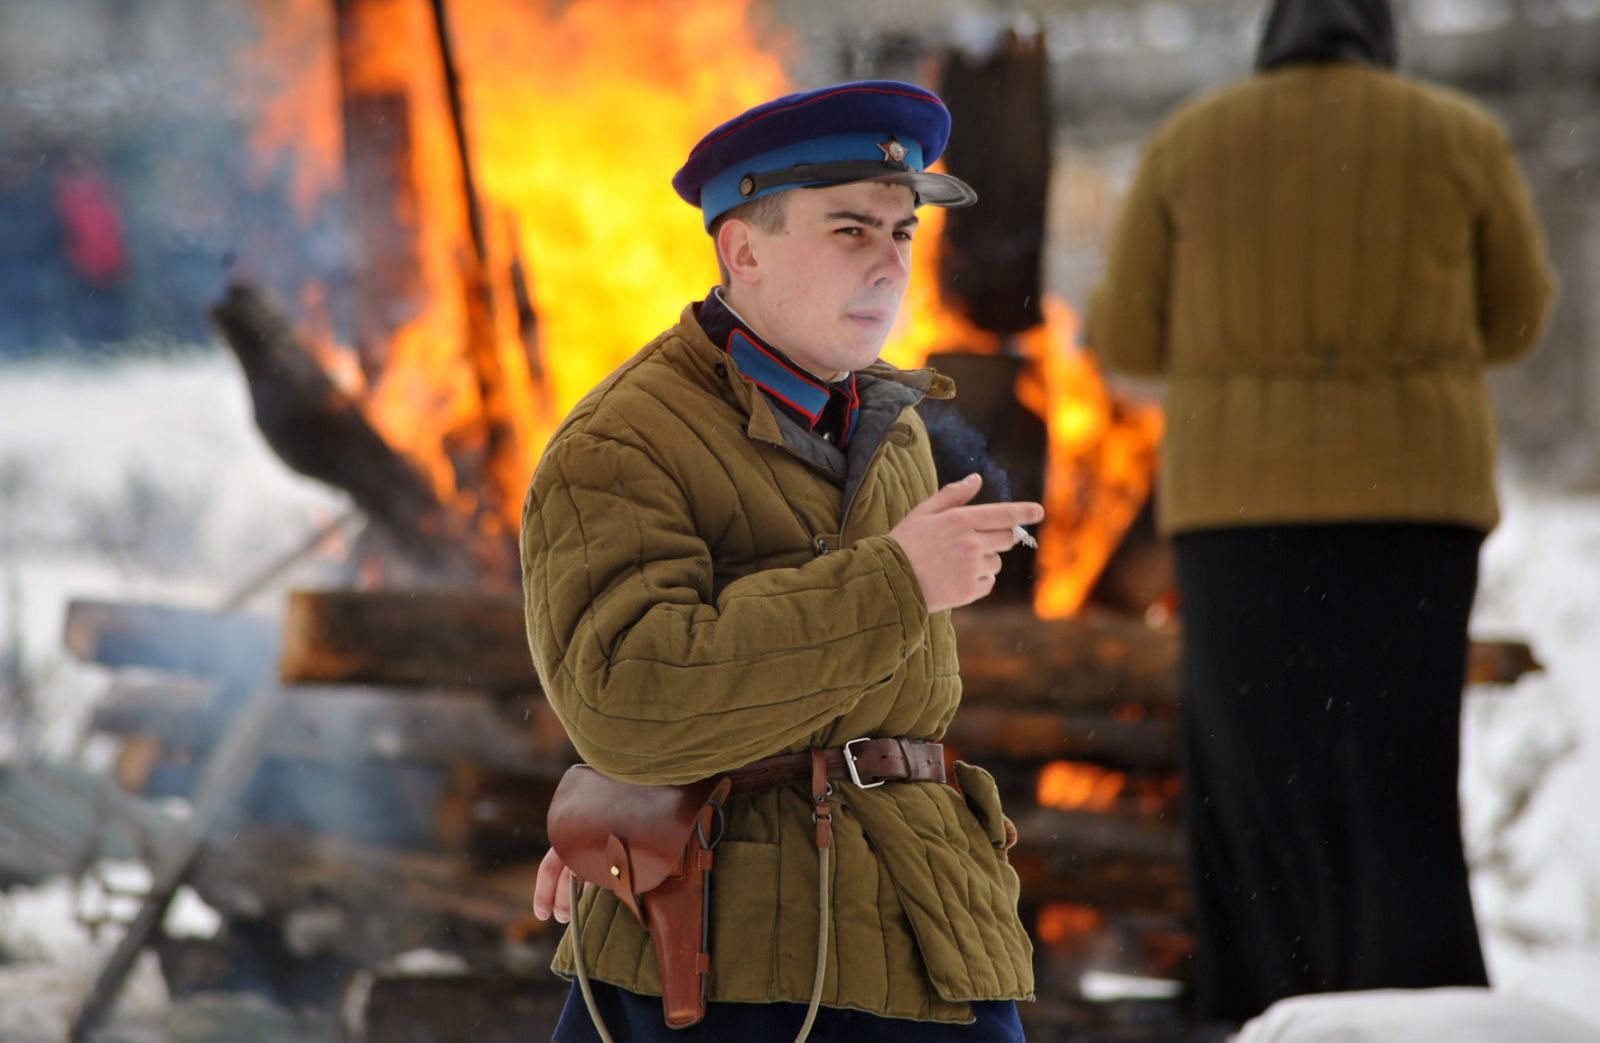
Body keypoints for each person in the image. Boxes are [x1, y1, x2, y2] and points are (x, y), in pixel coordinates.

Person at [519, 80, 1040, 1042]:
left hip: (932, 938)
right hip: (733, 967)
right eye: (851, 230)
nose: (889, 263)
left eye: (902, 232)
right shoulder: (619, 443)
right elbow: (628, 693)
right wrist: (898, 581)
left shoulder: (899, 429)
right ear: (742, 248)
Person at [1086, 0, 1555, 1028]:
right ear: (1377, 34)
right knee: (1398, 774)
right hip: (1412, 503)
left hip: (1233, 506)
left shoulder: (1191, 139)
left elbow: (1124, 331)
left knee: (1250, 780)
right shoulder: (1455, 135)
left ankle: (1260, 1006)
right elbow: (1517, 316)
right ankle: (1423, 1009)